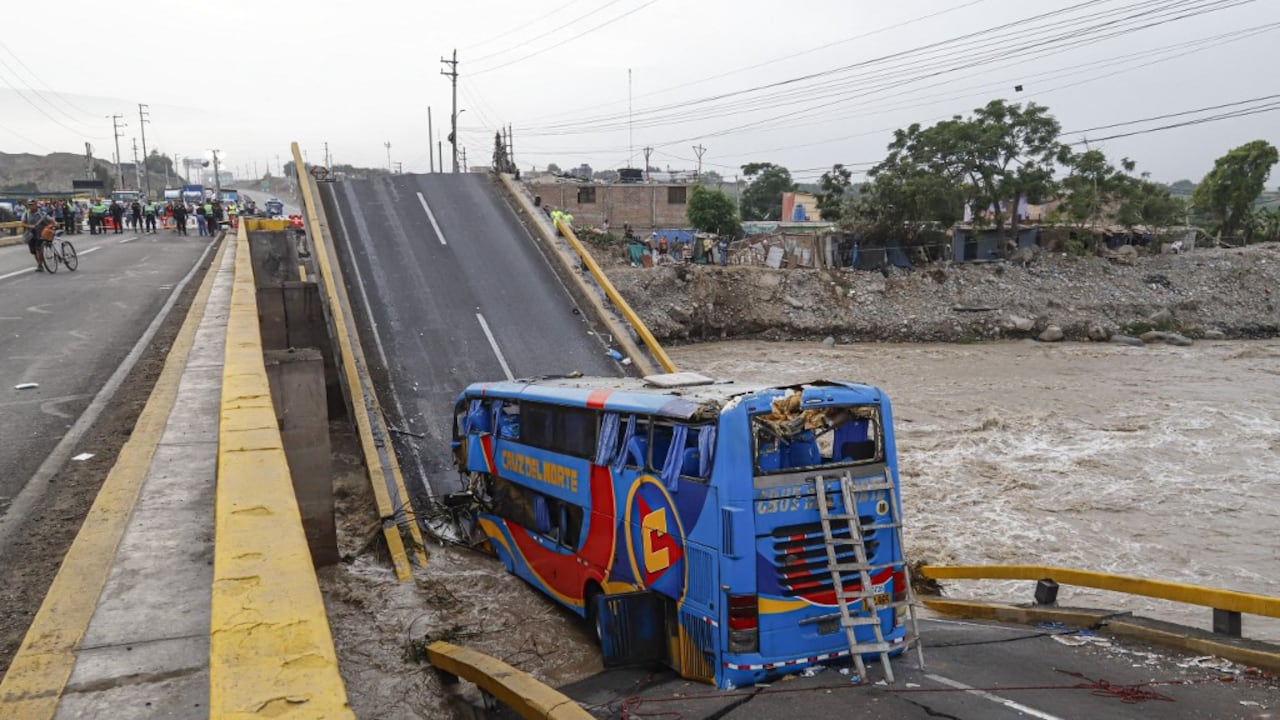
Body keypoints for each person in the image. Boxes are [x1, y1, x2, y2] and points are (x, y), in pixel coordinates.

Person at [22, 202, 53, 272]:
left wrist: (54, 224)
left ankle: (40, 264)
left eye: (32, 205)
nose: (31, 206)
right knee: (33, 251)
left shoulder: (41, 212)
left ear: (36, 205)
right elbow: (23, 223)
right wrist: (29, 227)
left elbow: (50, 219)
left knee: (38, 249)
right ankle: (39, 263)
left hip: (41, 233)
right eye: (29, 205)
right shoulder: (26, 213)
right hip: (31, 234)